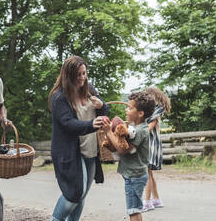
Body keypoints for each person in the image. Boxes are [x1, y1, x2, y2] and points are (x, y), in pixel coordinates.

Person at [48, 55, 110, 221]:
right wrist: (91, 124)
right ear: (68, 75)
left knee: (82, 195)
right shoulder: (59, 97)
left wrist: (102, 106)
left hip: (90, 149)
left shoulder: (89, 89)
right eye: (78, 74)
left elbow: (104, 113)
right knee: (74, 194)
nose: (82, 78)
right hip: (69, 152)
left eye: (84, 73)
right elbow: (68, 124)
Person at [104, 91, 155, 221]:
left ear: (140, 113)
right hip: (135, 174)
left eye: (130, 108)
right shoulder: (135, 127)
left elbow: (122, 150)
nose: (126, 110)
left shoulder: (139, 130)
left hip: (135, 175)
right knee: (135, 209)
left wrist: (109, 132)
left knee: (133, 211)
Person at [142, 87, 171, 211]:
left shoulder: (157, 110)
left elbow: (150, 127)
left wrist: (138, 133)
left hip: (151, 142)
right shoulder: (154, 110)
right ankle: (156, 199)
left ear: (153, 96)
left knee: (147, 172)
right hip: (151, 142)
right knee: (149, 172)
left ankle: (147, 202)